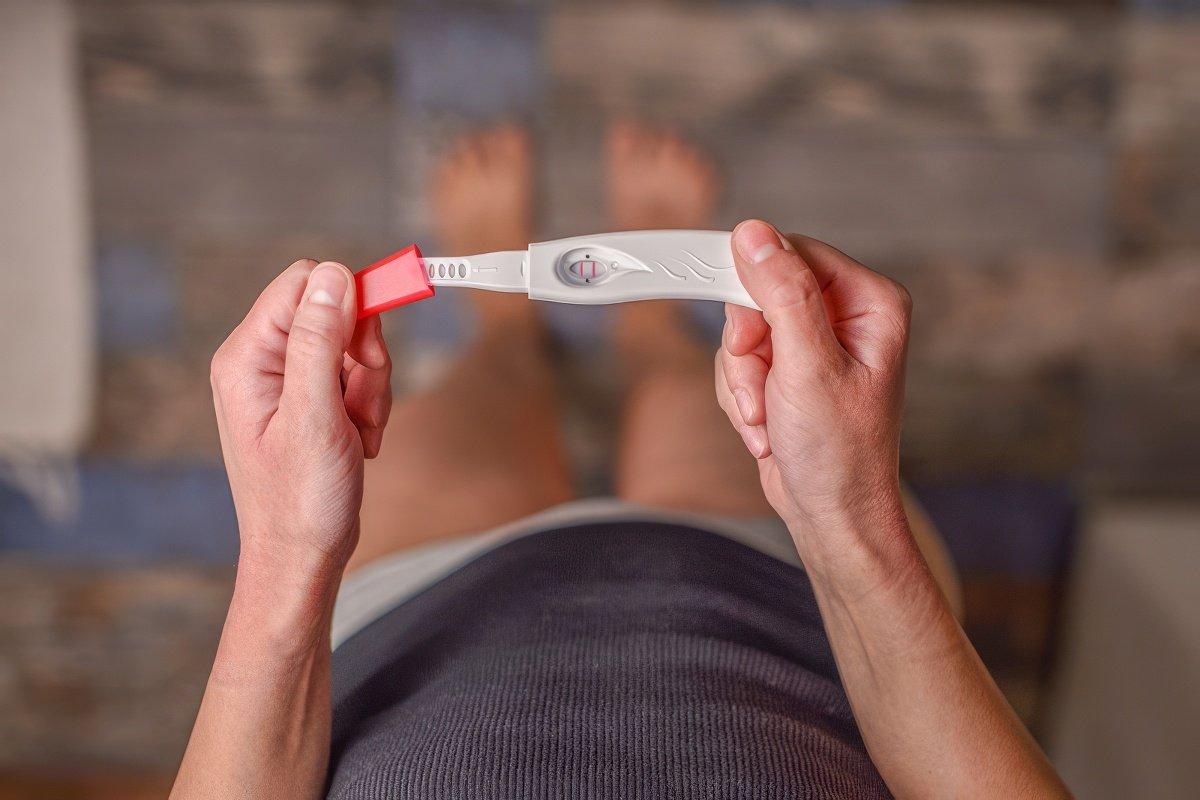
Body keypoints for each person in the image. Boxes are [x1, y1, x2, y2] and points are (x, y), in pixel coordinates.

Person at [171, 123, 1070, 799]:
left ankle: (511, 332)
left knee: (487, 399)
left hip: (403, 609)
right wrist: (846, 519)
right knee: (693, 394)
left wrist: (288, 553)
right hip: (788, 596)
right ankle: (647, 330)